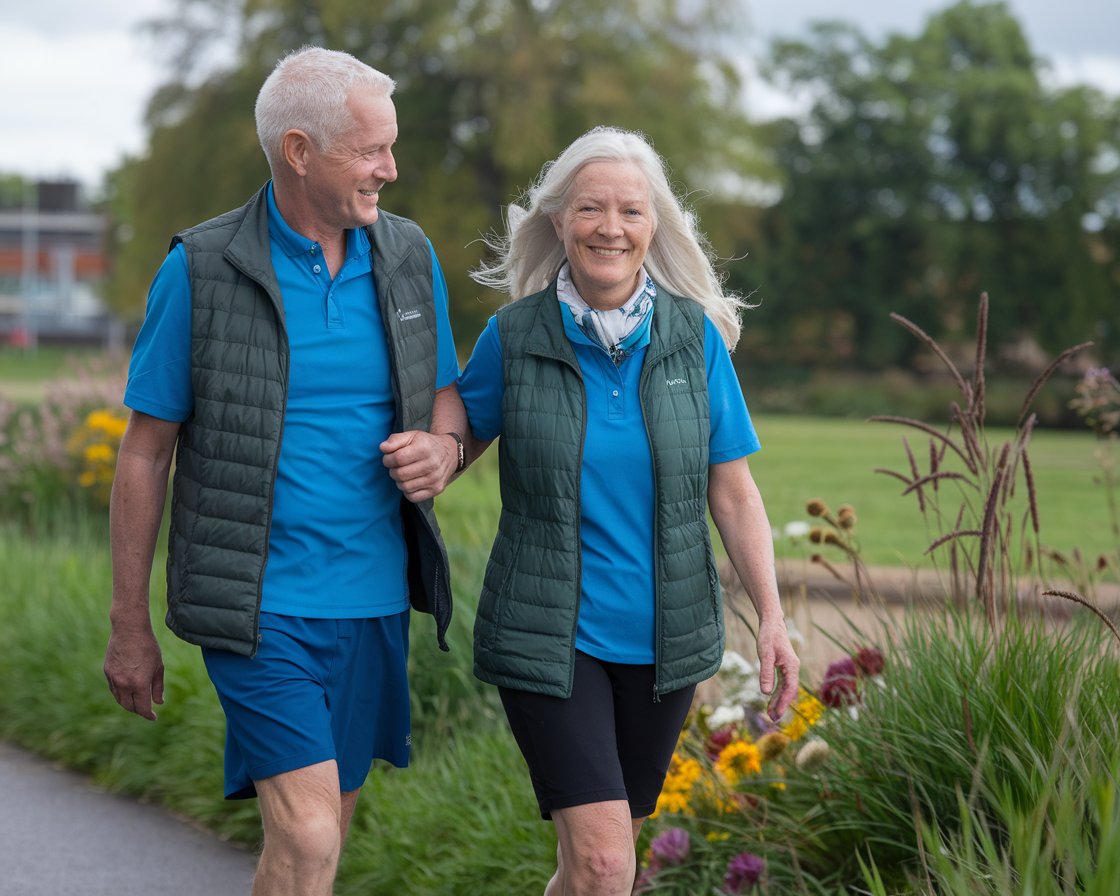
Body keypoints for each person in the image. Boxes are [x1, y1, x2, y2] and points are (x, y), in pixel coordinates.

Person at [102, 47, 466, 896]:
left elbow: (447, 401)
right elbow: (146, 452)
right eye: (371, 150)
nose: (392, 169)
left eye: (391, 147)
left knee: (315, 845)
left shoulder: (407, 255)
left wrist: (443, 451)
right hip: (257, 607)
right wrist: (129, 624)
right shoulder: (200, 269)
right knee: (307, 839)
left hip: (375, 603)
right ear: (299, 151)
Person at [456, 126, 800, 895]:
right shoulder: (512, 338)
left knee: (595, 868)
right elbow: (452, 445)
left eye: (630, 211)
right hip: (550, 635)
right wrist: (421, 455)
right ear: (558, 223)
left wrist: (772, 618)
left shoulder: (693, 339)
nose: (610, 227)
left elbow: (733, 489)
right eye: (590, 208)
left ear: (654, 226)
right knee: (609, 862)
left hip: (664, 642)